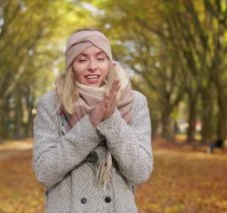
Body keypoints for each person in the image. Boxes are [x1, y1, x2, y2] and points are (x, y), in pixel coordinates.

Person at [33, 28, 153, 213]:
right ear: (71, 64)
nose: (92, 66)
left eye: (100, 58)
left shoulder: (134, 102)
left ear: (109, 62)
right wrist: (89, 127)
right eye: (82, 59)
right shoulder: (51, 104)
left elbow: (140, 172)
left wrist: (112, 120)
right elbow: (45, 173)